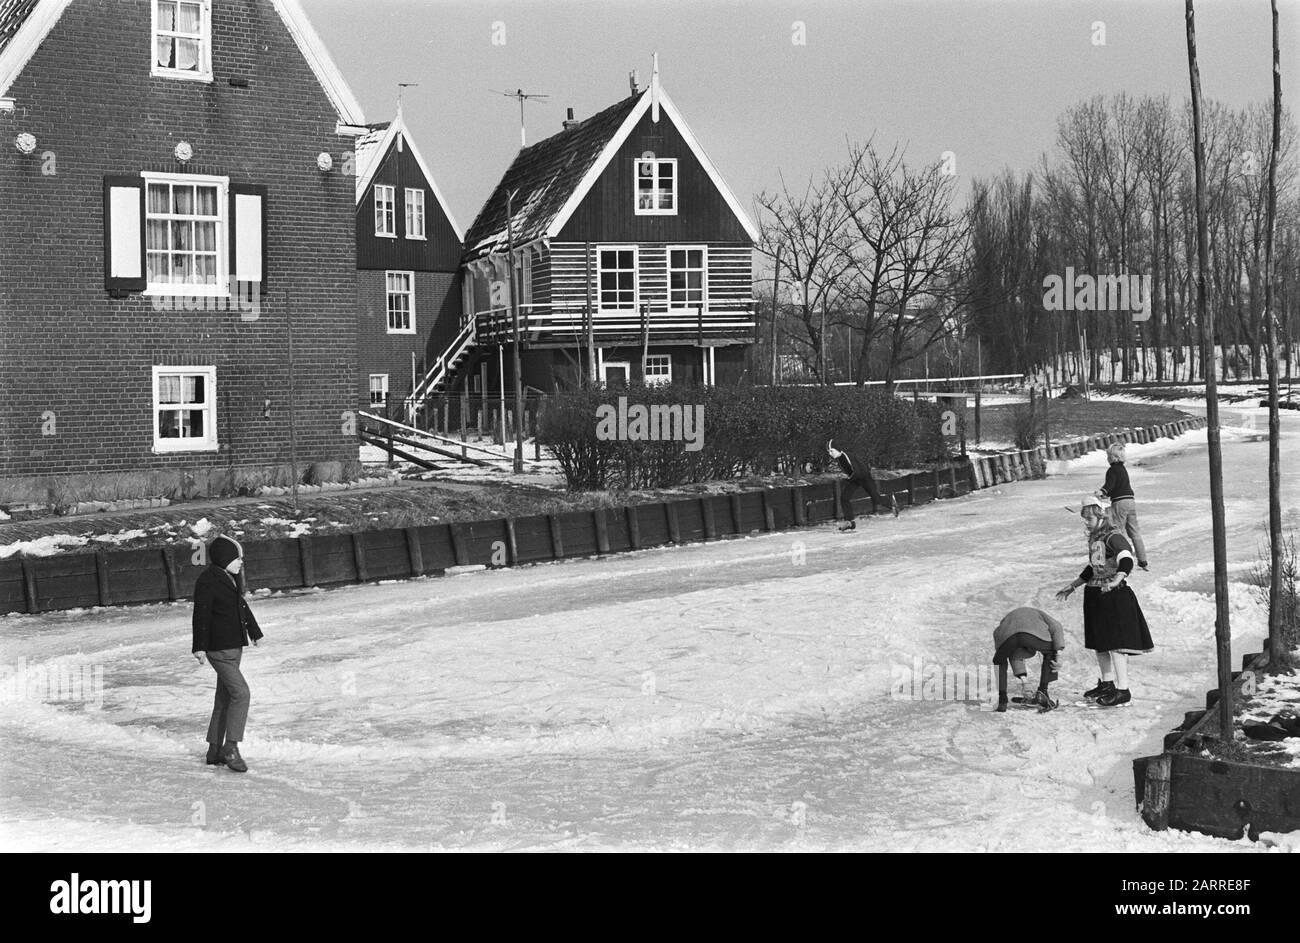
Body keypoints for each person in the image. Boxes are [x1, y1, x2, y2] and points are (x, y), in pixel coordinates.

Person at [1055, 495, 1153, 707]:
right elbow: (1094, 566)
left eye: (1089, 518)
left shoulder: (1112, 536)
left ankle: (1123, 689)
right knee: (1101, 643)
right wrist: (1074, 585)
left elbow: (1126, 556)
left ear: (1100, 516)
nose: (1086, 522)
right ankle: (1107, 683)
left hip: (1113, 594)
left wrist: (1120, 576)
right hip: (1095, 594)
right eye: (1085, 518)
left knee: (1116, 644)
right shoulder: (1095, 539)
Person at [192, 534, 263, 772]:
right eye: (237, 557)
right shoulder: (208, 580)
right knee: (241, 693)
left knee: (224, 698)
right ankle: (231, 747)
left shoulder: (229, 578)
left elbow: (240, 606)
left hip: (234, 646)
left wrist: (254, 631)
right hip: (218, 648)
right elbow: (201, 614)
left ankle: (214, 749)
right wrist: (199, 646)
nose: (241, 561)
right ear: (224, 558)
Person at [992, 607, 1064, 712]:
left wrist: (1025, 682)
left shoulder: (1005, 622)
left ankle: (1002, 700)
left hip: (1006, 637)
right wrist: (1058, 654)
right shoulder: (1039, 613)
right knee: (1051, 652)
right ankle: (1043, 692)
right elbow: (1056, 627)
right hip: (1032, 635)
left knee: (999, 661)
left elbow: (1014, 654)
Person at [1096, 443, 1148, 570]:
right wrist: (1107, 494)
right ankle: (1143, 561)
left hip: (1120, 503)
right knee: (1134, 532)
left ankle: (1123, 561)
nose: (1107, 459)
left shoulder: (1112, 470)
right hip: (1130, 501)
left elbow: (1110, 484)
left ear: (1112, 457)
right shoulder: (1123, 469)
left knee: (1118, 532)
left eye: (1108, 456)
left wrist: (1102, 492)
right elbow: (1118, 486)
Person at [827, 438, 897, 530]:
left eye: (831, 451)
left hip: (865, 478)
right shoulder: (839, 458)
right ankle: (850, 522)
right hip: (856, 479)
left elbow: (858, 472)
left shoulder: (846, 457)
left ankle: (891, 503)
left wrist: (849, 479)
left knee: (876, 499)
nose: (830, 454)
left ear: (837, 449)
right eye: (829, 451)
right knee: (844, 498)